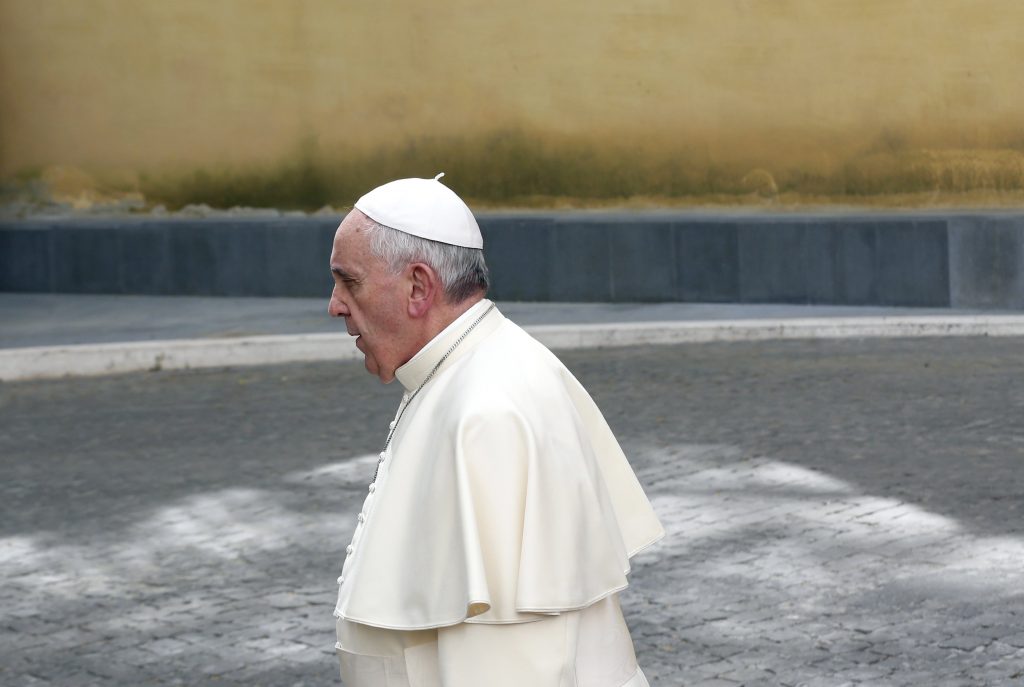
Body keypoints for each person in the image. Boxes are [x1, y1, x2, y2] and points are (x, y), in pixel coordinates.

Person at [327, 174, 664, 687]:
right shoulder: (471, 369)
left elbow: (510, 665)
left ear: (418, 286)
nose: (335, 304)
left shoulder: (489, 412)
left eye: (349, 281)